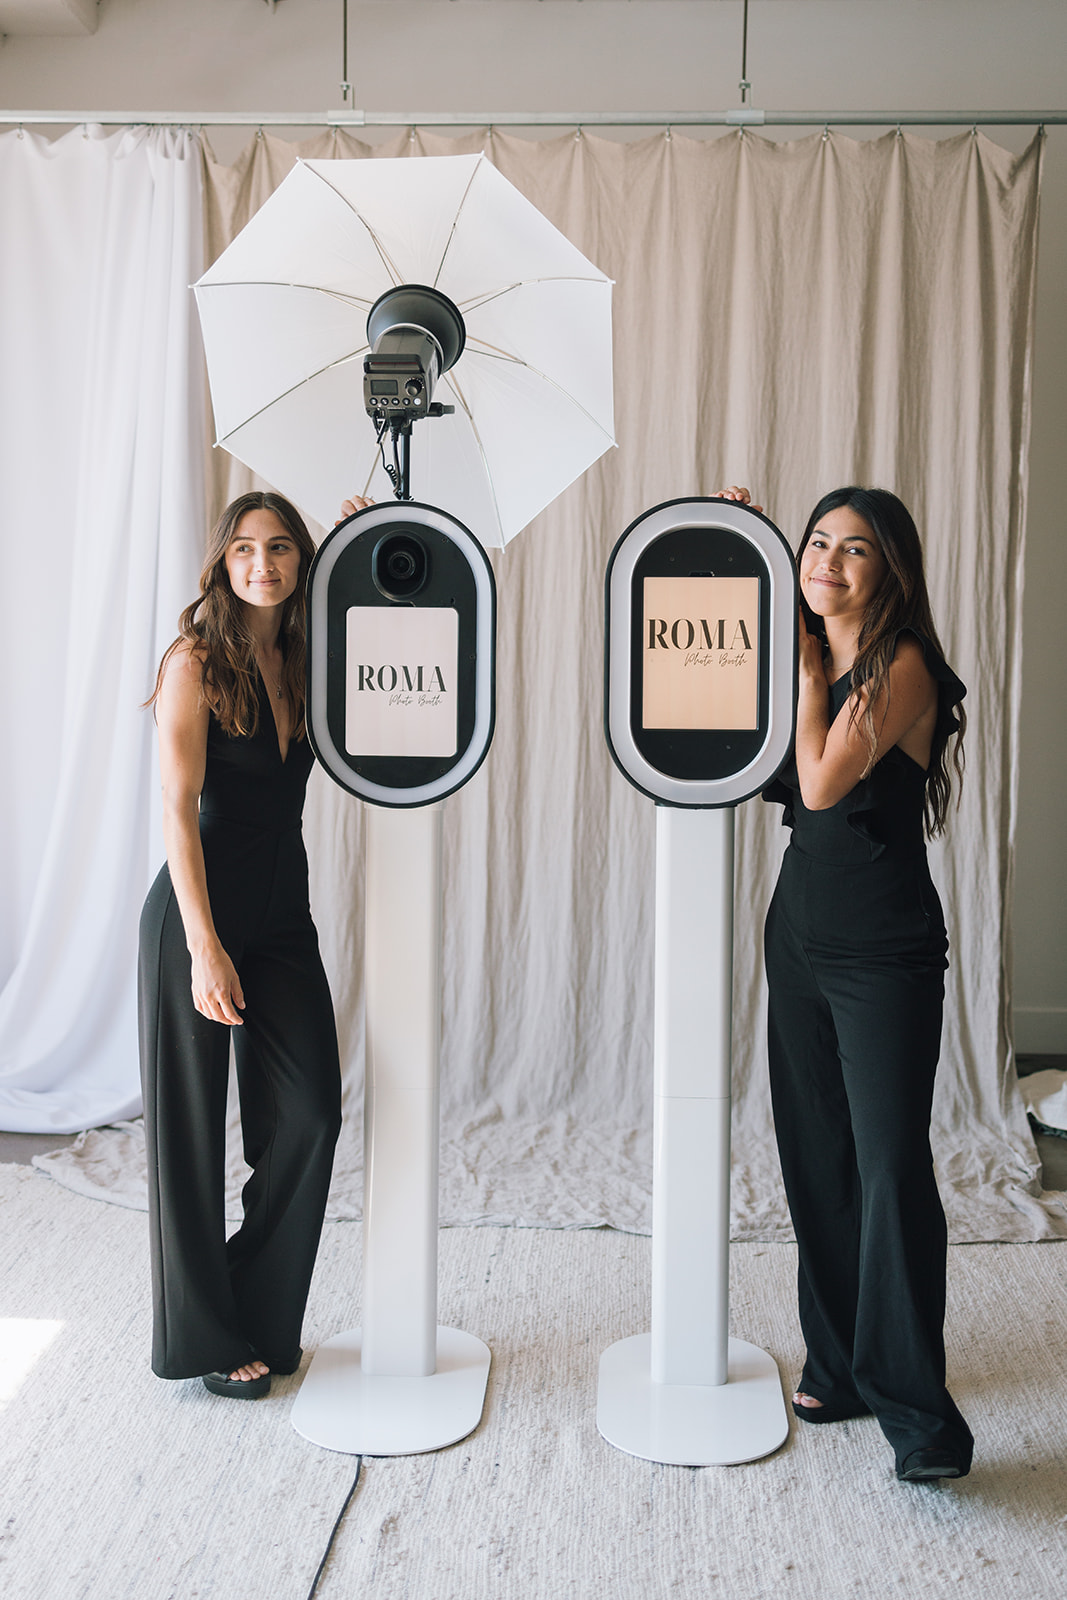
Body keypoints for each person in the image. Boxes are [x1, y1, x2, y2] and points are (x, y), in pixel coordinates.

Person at [718, 484, 974, 1482]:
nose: (824, 560)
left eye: (852, 548)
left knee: (886, 1169)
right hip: (799, 936)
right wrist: (733, 528)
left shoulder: (898, 664)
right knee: (816, 1158)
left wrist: (798, 658)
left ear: (888, 570)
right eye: (813, 541)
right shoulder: (810, 654)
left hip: (882, 951)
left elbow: (821, 780)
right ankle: (839, 1366)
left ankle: (918, 1415)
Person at [139, 490, 369, 1399]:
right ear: (222, 562)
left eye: (279, 548)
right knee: (190, 1134)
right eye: (244, 549)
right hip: (197, 914)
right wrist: (203, 947)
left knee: (309, 1115)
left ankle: (257, 1313)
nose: (261, 564)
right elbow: (174, 812)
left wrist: (356, 540)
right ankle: (203, 1340)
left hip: (281, 913)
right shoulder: (194, 662)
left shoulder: (305, 658)